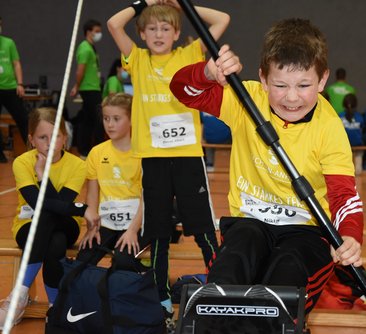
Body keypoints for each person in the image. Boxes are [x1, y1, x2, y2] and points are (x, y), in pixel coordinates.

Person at [170, 18, 364, 315]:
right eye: (280, 85)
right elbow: (183, 90)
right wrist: (208, 72)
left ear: (322, 80)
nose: (292, 97)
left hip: (306, 231)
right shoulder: (245, 99)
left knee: (284, 279)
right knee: (230, 269)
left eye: (303, 85)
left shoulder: (329, 127)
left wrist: (350, 235)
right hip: (250, 223)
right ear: (263, 78)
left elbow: (343, 194)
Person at [107, 0, 230, 329]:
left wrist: (179, 4)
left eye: (165, 28)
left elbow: (222, 19)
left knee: (203, 229)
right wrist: (144, 3)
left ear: (177, 33)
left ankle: (221, 289)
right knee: (158, 233)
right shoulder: (137, 59)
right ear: (143, 34)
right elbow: (113, 25)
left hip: (188, 157)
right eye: (152, 28)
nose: (158, 33)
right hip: (154, 160)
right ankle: (160, 297)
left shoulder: (189, 54)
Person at [0, 107, 96, 329]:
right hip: (28, 227)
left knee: (50, 218)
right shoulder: (22, 162)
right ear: (32, 140)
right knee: (55, 241)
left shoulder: (77, 165)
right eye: (43, 137)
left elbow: (58, 206)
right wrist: (81, 208)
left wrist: (42, 175)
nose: (50, 143)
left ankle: (19, 294)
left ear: (65, 138)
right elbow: (38, 203)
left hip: (66, 224)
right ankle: (56, 307)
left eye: (56, 137)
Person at [77, 93, 149, 275]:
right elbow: (92, 194)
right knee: (83, 259)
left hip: (136, 222)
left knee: (123, 260)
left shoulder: (144, 154)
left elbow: (146, 197)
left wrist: (133, 230)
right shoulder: (97, 152)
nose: (110, 124)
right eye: (106, 118)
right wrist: (91, 227)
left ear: (132, 119)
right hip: (106, 223)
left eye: (116, 119)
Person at [70, 19, 104, 159]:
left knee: (88, 119)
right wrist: (77, 86)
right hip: (89, 89)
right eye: (96, 31)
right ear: (88, 32)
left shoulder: (91, 48)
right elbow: (80, 70)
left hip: (93, 87)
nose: (99, 34)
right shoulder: (84, 48)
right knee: (98, 119)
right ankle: (94, 151)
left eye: (99, 32)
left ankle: (84, 150)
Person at [0, 16, 28, 163]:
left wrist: (20, 84)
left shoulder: (9, 43)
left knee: (23, 119)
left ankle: (32, 151)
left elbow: (16, 64)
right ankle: (1, 156)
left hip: (10, 88)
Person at [339, 93, 365, 175]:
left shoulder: (339, 116)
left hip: (343, 145)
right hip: (357, 144)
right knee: (359, 147)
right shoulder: (359, 117)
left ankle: (344, 170)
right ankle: (358, 169)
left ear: (343, 104)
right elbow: (362, 129)